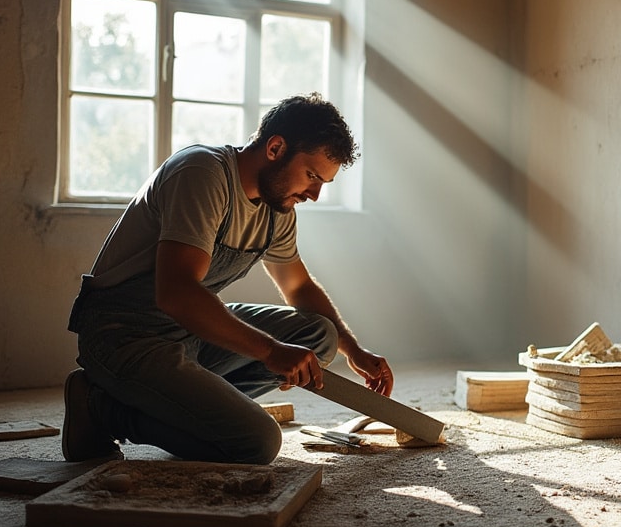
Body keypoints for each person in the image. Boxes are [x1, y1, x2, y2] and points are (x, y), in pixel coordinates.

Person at [63, 93, 392, 464]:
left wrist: (355, 350)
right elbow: (176, 293)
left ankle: (189, 406)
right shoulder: (202, 173)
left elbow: (298, 287)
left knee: (319, 337)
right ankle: (103, 408)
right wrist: (270, 350)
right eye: (312, 176)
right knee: (256, 441)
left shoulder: (277, 207)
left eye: (323, 183)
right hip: (125, 333)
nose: (314, 194)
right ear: (275, 148)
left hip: (187, 333)